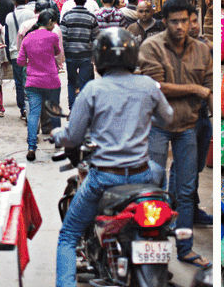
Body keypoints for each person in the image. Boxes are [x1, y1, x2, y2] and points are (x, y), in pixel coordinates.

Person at [52, 27, 174, 287]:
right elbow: (169, 117)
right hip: (142, 172)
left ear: (98, 58)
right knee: (159, 172)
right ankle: (163, 231)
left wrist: (57, 134)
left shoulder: (93, 89)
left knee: (68, 235)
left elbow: (73, 136)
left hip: (105, 177)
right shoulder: (148, 86)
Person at [139, 0, 213, 269]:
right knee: (154, 187)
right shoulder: (151, 47)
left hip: (188, 128)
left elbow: (209, 87)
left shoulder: (202, 51)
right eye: (174, 21)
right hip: (157, 127)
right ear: (165, 22)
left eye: (185, 20)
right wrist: (196, 90)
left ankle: (184, 247)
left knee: (186, 190)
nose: (180, 26)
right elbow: (157, 87)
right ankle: (153, 245)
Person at [18, 10, 63, 161]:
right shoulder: (53, 36)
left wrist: (30, 63)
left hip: (33, 81)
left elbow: (20, 62)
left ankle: (31, 147)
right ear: (49, 21)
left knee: (34, 114)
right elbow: (57, 52)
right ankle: (57, 143)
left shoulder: (28, 37)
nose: (55, 25)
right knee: (54, 111)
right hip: (51, 80)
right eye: (54, 22)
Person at [61, 0, 100, 109]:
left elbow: (63, 37)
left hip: (70, 55)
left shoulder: (67, 16)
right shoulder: (91, 17)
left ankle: (72, 108)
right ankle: (82, 109)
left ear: (74, 0)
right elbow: (95, 38)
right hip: (85, 55)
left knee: (71, 82)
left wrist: (64, 53)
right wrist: (94, 55)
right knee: (84, 83)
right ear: (85, 0)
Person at [5, 0, 36, 120]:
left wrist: (7, 54)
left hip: (14, 53)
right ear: (26, 1)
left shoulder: (9, 16)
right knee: (30, 80)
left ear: (14, 2)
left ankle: (22, 107)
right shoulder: (31, 14)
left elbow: (6, 37)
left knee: (18, 82)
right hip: (30, 53)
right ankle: (31, 106)